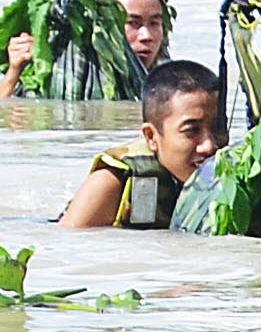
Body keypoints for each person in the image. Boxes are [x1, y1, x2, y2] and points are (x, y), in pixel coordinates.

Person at [57, 58, 225, 228]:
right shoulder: (111, 183)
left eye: (218, 128)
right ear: (151, 137)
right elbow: (67, 245)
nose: (209, 146)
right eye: (191, 131)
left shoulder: (233, 178)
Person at [0, 0, 168, 101]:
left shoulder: (172, 81)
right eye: (133, 23)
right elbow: (2, 113)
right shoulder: (68, 79)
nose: (147, 36)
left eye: (154, 23)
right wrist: (14, 71)